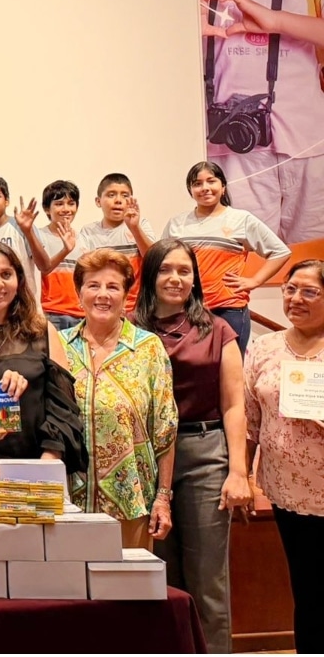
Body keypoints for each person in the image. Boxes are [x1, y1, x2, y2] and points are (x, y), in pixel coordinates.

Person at [196, 0, 324, 244]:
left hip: (311, 149)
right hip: (230, 151)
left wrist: (275, 20)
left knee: (312, 265)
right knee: (241, 262)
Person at [133, 238, 250, 654]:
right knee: (159, 577)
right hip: (146, 461)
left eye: (184, 270)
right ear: (150, 277)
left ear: (195, 278)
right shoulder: (133, 330)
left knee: (207, 580)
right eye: (165, 269)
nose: (175, 278)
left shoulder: (218, 329)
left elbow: (234, 405)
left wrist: (238, 471)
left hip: (203, 454)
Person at [62, 249, 177, 549]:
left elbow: (165, 431)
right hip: (67, 504)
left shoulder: (149, 349)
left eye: (113, 287)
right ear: (79, 293)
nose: (103, 295)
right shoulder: (58, 346)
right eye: (93, 286)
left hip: (131, 503)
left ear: (127, 294)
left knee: (128, 594)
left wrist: (162, 499)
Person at [244, 259, 324, 653]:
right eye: (290, 289)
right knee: (307, 591)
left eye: (310, 291)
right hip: (287, 492)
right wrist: (241, 474)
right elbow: (249, 420)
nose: (295, 298)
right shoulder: (264, 346)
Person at [0, 242, 87, 475]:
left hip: (35, 465)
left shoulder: (42, 330)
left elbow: (63, 407)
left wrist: (48, 460)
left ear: (19, 281)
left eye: (6, 274)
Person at [163, 160, 290, 355]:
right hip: (186, 309)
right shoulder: (177, 223)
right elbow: (162, 261)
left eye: (211, 181)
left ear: (222, 187)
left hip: (228, 309)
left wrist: (254, 281)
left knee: (229, 374)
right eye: (197, 183)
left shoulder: (241, 219)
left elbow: (280, 252)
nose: (205, 188)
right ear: (191, 190)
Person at [76, 173, 156, 312]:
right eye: (111, 195)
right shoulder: (89, 231)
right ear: (98, 201)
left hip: (138, 306)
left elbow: (153, 258)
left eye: (125, 195)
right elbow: (85, 271)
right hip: (104, 305)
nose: (118, 200)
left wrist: (134, 228)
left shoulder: (140, 224)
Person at [17, 180, 84, 331]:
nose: (66, 209)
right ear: (47, 209)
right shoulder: (39, 236)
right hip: (50, 313)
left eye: (71, 203)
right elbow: (44, 267)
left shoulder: (84, 238)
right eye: (59, 204)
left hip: (81, 314)